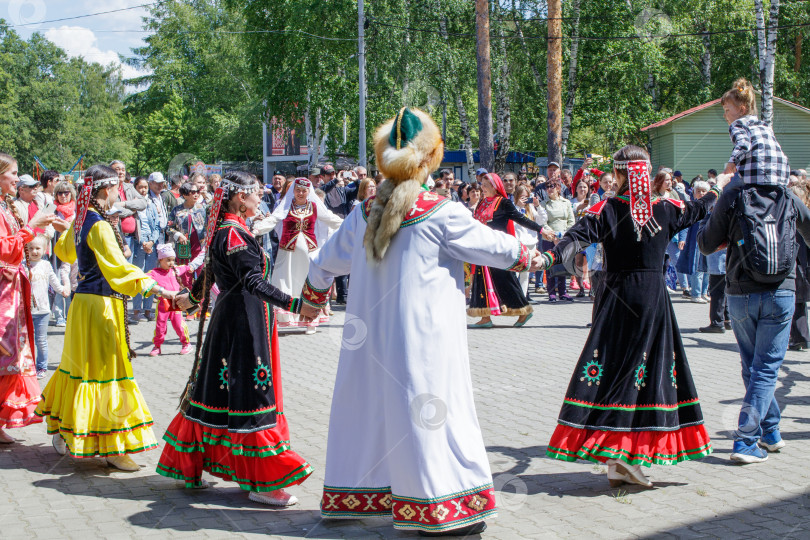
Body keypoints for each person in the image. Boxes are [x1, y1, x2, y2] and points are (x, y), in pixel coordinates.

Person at [298, 108, 540, 536]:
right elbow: (493, 247)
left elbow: (323, 262)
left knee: (369, 411)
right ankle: (436, 507)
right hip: (424, 341)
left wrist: (314, 298)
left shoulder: (363, 212)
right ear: (429, 159)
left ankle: (363, 494)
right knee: (432, 410)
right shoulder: (439, 211)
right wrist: (532, 252)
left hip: (368, 341)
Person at [540, 145, 725, 487]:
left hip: (615, 298)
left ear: (620, 173)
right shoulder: (667, 209)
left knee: (615, 370)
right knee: (645, 372)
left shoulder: (607, 209)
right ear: (646, 171)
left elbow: (576, 237)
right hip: (652, 299)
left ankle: (617, 457)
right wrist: (719, 185)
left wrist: (548, 259)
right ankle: (623, 456)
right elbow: (700, 209)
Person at [159, 170, 313, 505]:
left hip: (237, 317)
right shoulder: (234, 234)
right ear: (240, 197)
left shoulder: (230, 230)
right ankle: (261, 483)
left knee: (219, 392)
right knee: (250, 396)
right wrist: (297, 305)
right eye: (256, 193)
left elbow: (213, 270)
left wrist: (195, 296)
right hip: (244, 321)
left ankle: (228, 470)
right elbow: (252, 283)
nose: (261, 198)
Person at [698, 78, 810, 463]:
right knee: (764, 369)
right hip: (781, 290)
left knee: (753, 367)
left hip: (740, 292)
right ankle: (757, 437)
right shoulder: (787, 195)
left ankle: (761, 436)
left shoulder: (732, 193)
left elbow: (706, 245)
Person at [35, 165, 176, 470]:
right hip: (100, 306)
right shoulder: (98, 224)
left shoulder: (83, 219)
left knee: (79, 367)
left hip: (83, 304)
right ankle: (111, 445)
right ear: (104, 190)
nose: (118, 193)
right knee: (106, 371)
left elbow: (66, 251)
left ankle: (66, 428)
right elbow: (118, 269)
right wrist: (152, 284)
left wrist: (71, 226)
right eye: (116, 188)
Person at [0, 153, 63, 443]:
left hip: (12, 293)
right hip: (4, 293)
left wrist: (44, 224)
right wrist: (32, 223)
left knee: (12, 355)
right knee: (4, 352)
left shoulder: (6, 206)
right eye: (12, 173)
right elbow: (4, 248)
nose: (17, 178)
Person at [251, 177, 342, 333]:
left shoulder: (314, 206)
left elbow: (330, 218)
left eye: (304, 190)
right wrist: (256, 230)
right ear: (293, 190)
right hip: (288, 253)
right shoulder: (285, 205)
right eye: (298, 190)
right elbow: (273, 220)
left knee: (309, 284)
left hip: (309, 253)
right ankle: (286, 318)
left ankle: (311, 321)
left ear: (309, 191)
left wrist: (350, 224)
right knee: (284, 283)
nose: (300, 193)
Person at [467, 172, 542, 328]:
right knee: (481, 282)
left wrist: (541, 230)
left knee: (504, 280)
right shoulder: (482, 203)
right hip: (482, 250)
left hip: (497, 249)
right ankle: (485, 317)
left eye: (486, 186)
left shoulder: (503, 203)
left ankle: (523, 311)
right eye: (482, 185)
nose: (483, 188)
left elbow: (521, 219)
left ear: (495, 187)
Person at [27, 235, 69, 378]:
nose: (34, 251)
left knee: (41, 340)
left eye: (37, 248)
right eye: (30, 248)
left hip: (43, 311)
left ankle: (41, 367)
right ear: (25, 249)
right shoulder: (22, 265)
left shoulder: (46, 265)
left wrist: (62, 289)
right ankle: (29, 365)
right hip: (26, 311)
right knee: (26, 340)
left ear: (45, 249)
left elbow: (54, 281)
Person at [146, 244, 198, 356]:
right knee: (160, 326)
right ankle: (157, 346)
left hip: (176, 302)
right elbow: (145, 278)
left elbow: (184, 267)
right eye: (168, 260)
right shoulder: (155, 273)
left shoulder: (175, 270)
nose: (171, 263)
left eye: (173, 260)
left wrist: (190, 268)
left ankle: (186, 344)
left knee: (179, 324)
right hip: (162, 303)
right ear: (160, 259)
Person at [130, 177, 161, 323]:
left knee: (150, 277)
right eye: (140, 187)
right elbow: (133, 226)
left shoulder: (151, 204)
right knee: (138, 277)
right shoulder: (133, 206)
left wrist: (151, 241)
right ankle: (137, 311)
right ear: (135, 188)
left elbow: (156, 226)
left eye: (145, 187)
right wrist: (143, 242)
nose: (143, 190)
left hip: (151, 243)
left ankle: (148, 310)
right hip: (138, 244)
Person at [676, 180, 711, 303]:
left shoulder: (712, 207)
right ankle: (696, 294)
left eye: (704, 191)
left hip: (709, 241)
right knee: (697, 268)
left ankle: (704, 292)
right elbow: (685, 225)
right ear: (694, 193)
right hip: (695, 241)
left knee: (708, 268)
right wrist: (682, 239)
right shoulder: (692, 206)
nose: (701, 193)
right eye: (698, 191)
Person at [541, 178, 575, 302]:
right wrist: (553, 236)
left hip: (564, 238)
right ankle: (551, 292)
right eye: (547, 186)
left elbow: (571, 220)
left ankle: (562, 292)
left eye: (552, 186)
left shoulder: (566, 202)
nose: (549, 189)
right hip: (549, 237)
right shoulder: (544, 204)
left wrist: (565, 235)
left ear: (558, 188)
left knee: (562, 263)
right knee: (550, 263)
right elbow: (543, 222)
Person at [52, 181, 77, 327]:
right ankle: (59, 315)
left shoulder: (77, 210)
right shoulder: (52, 209)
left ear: (71, 194)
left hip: (73, 250)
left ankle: (70, 315)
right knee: (58, 280)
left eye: (66, 193)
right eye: (59, 193)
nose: (63, 196)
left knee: (72, 282)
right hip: (57, 249)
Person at [167, 182, 207, 266]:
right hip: (183, 248)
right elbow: (169, 228)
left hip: (199, 247)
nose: (196, 194)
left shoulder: (203, 208)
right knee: (184, 274)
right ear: (184, 195)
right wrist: (178, 235)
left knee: (201, 274)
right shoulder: (176, 210)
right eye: (193, 192)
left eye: (197, 192)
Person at [146, 172, 176, 243]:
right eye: (157, 183)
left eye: (162, 183)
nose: (160, 185)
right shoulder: (147, 198)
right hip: (152, 234)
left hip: (163, 233)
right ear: (150, 184)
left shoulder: (162, 197)